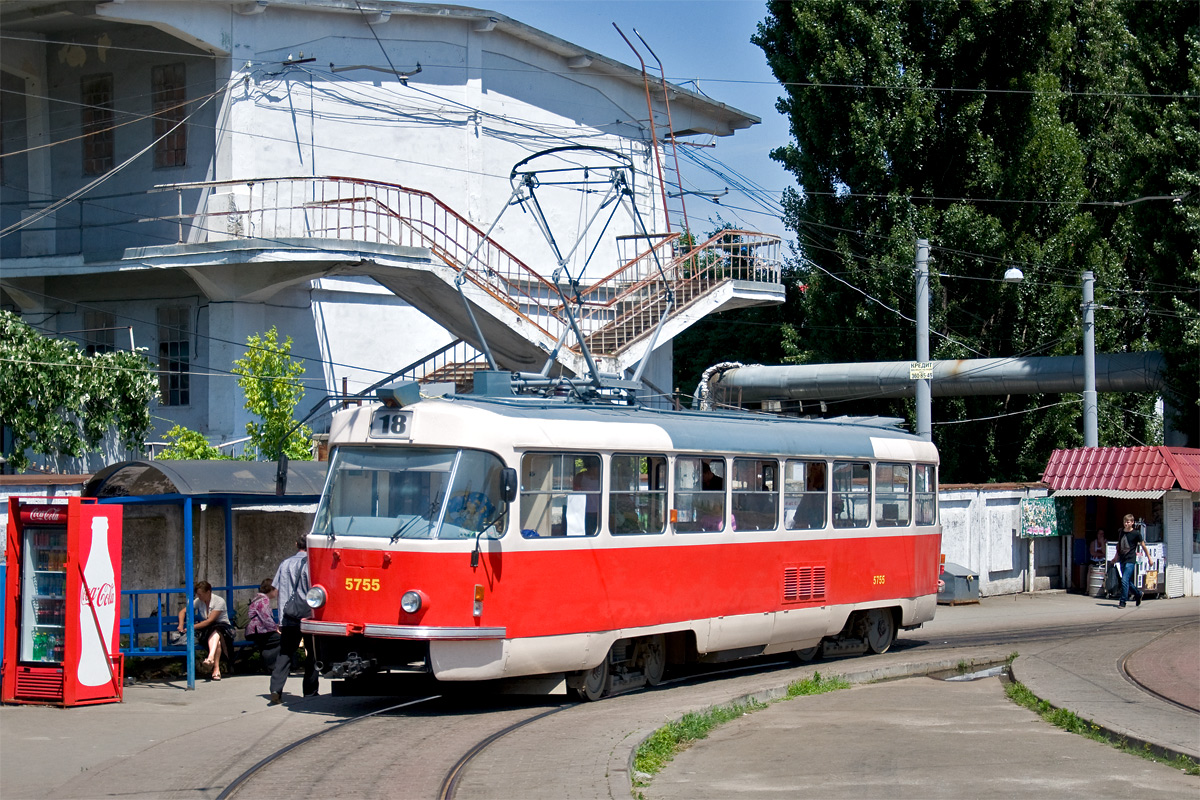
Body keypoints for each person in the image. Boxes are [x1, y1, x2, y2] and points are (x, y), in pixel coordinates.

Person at [269, 538, 318, 704]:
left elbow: (275, 590)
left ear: (296, 545)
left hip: (288, 616)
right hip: (308, 615)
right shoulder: (312, 564)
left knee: (285, 653)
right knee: (312, 654)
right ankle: (310, 691)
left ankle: (276, 688)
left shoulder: (285, 564)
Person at [176, 580, 234, 681]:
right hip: (208, 631)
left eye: (200, 594)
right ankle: (215, 668)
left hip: (224, 629)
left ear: (208, 592)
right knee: (218, 642)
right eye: (197, 594)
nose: (199, 596)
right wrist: (181, 624)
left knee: (216, 630)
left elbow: (210, 620)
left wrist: (191, 627)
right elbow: (183, 611)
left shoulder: (219, 601)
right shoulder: (199, 601)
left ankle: (211, 658)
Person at [1112, 514, 1151, 608]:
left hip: (1131, 560)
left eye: (1128, 522)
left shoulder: (1136, 534)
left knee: (1124, 580)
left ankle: (1122, 602)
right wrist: (1115, 557)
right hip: (1122, 559)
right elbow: (1119, 546)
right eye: (1125, 522)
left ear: (1132, 523)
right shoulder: (1121, 532)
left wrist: (1149, 558)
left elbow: (1143, 546)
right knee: (1127, 582)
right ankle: (1138, 594)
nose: (1126, 523)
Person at [246, 578, 281, 674]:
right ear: (271, 589)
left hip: (255, 631)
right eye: (276, 589)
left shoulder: (258, 598)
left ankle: (269, 665)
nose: (277, 592)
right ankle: (272, 666)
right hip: (258, 631)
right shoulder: (263, 600)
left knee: (273, 639)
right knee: (281, 639)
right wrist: (276, 629)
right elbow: (266, 618)